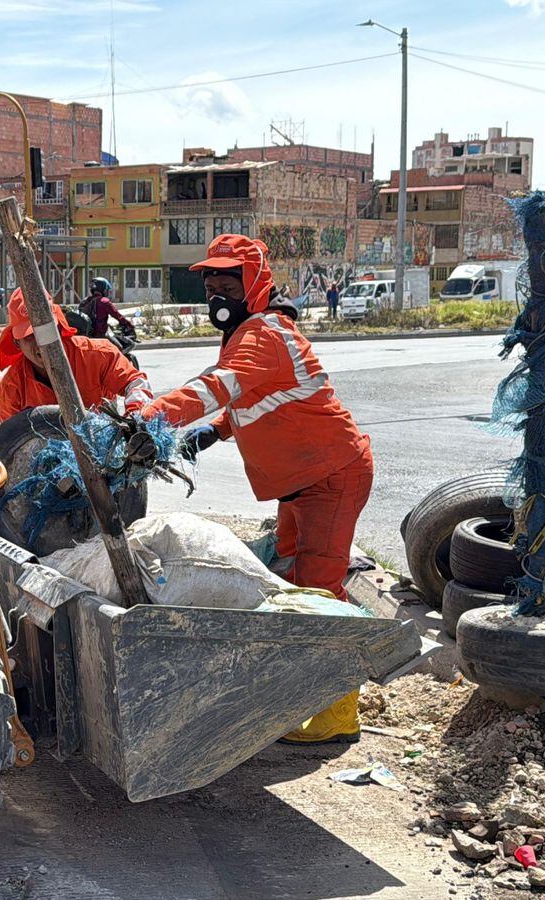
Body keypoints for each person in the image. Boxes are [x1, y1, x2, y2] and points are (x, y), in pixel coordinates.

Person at [142, 233, 373, 745]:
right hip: (305, 482)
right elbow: (257, 395)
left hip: (330, 477)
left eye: (229, 280)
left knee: (320, 591)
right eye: (211, 282)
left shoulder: (263, 333)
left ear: (255, 281)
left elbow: (218, 386)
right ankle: (302, 690)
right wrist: (216, 430)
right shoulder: (250, 331)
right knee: (291, 579)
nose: (217, 292)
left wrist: (148, 419)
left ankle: (340, 714)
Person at [0, 288, 152, 422]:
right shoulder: (11, 388)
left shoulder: (98, 355)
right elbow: (12, 442)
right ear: (17, 343)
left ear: (58, 328)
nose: (41, 343)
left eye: (46, 331)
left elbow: (135, 382)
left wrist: (135, 419)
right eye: (30, 336)